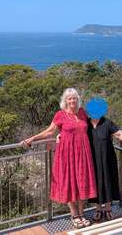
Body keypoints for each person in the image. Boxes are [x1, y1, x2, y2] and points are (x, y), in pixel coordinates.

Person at [22, 88, 97, 229]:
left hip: (83, 153)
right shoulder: (60, 115)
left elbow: (93, 127)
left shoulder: (82, 113)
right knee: (69, 183)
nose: (72, 101)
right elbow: (50, 131)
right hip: (67, 154)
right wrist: (32, 138)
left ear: (77, 99)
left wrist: (112, 132)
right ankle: (74, 215)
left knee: (83, 183)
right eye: (69, 98)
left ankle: (82, 214)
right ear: (65, 101)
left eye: (74, 98)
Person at [86, 97, 122, 221]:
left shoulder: (107, 122)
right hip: (92, 159)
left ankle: (107, 208)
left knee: (107, 181)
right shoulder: (85, 123)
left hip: (107, 158)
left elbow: (119, 134)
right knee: (95, 183)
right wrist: (59, 135)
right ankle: (98, 209)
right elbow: (74, 132)